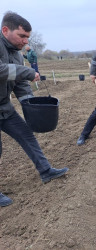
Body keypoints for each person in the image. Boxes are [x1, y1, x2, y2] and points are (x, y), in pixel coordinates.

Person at [0, 11, 68, 207]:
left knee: (27, 135)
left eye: (27, 37)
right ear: (5, 30)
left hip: (4, 107)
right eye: (22, 36)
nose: (25, 41)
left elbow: (20, 83)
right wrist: (28, 71)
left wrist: (30, 104)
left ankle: (46, 171)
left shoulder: (17, 54)